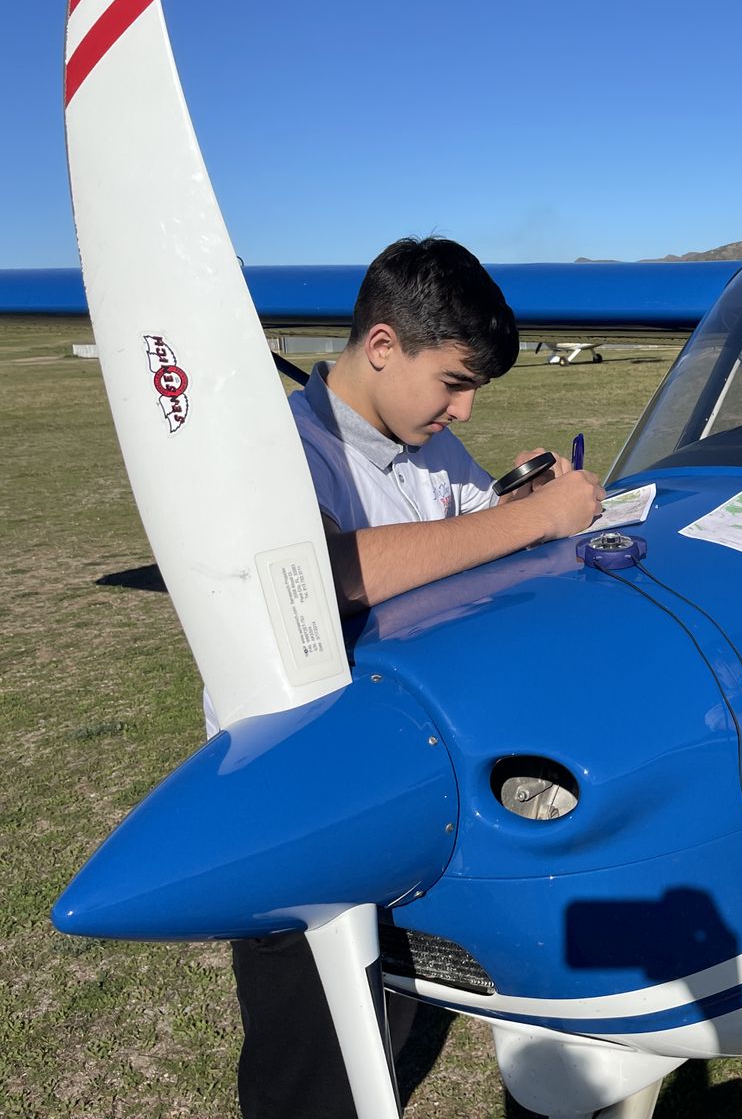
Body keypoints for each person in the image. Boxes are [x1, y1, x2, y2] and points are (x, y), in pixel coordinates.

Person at [231, 235, 606, 1119]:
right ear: (384, 346)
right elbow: (324, 577)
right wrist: (533, 522)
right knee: (310, 1068)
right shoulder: (282, 450)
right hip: (308, 805)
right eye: (455, 381)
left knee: (390, 1032)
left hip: (415, 788)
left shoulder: (425, 440)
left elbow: (469, 534)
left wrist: (524, 507)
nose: (466, 413)